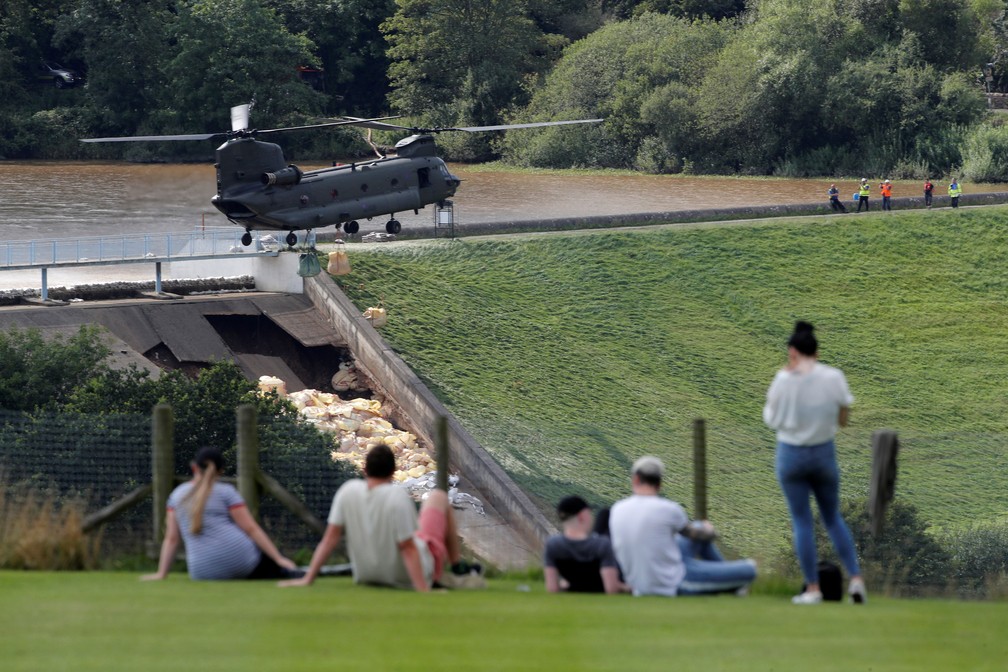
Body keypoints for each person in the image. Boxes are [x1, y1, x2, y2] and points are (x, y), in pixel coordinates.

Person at [279, 444, 484, 591]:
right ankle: (458, 566)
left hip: (367, 575)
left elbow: (329, 539)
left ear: (365, 469)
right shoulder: (396, 495)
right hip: (411, 574)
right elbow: (408, 547)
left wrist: (308, 579)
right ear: (393, 473)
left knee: (418, 530)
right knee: (439, 496)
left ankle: (455, 566)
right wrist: (423, 588)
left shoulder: (347, 491)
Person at [763, 321, 866, 605]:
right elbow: (844, 418)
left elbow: (771, 419)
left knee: (802, 521)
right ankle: (856, 580)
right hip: (823, 452)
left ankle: (812, 588)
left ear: (792, 351)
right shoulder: (833, 377)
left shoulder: (783, 380)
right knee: (832, 517)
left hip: (791, 453)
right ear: (817, 351)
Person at [142, 447, 302, 581]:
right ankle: (293, 571)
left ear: (194, 468)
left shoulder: (176, 496)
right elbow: (250, 528)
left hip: (201, 572)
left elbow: (171, 539)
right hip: (243, 562)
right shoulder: (226, 492)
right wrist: (279, 559)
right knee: (276, 564)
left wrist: (161, 574)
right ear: (221, 471)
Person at [609, 456, 757, 597]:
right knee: (750, 569)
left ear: (635, 479)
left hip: (639, 585)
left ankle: (727, 582)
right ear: (660, 484)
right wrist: (710, 531)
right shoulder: (669, 509)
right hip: (673, 583)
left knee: (698, 526)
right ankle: (729, 583)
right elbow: (698, 535)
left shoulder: (617, 509)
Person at [543, 495, 626, 594]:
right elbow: (611, 589)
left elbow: (552, 588)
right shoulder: (602, 544)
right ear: (582, 516)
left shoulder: (553, 544)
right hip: (606, 582)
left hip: (573, 584)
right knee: (605, 514)